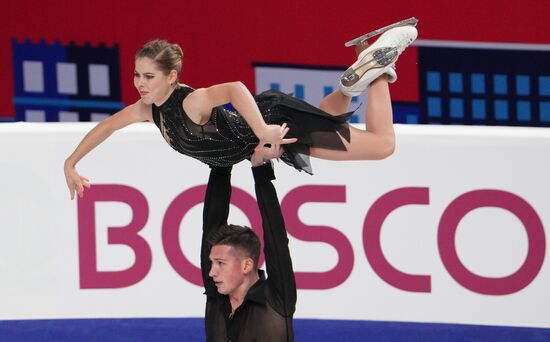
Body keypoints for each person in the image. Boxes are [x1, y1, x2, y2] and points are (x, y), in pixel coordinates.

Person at [64, 20, 418, 199]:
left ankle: (377, 71)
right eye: (137, 75)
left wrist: (264, 130)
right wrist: (71, 163)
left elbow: (235, 88)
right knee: (326, 117)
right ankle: (352, 81)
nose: (141, 83)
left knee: (383, 145)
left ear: (172, 77)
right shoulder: (148, 110)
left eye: (149, 76)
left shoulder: (191, 100)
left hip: (278, 128)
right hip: (271, 125)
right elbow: (107, 126)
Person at [202, 145, 296, 341]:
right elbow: (212, 225)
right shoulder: (216, 294)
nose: (211, 272)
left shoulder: (277, 299)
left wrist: (260, 171)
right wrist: (221, 165)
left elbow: (276, 239)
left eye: (220, 263)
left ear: (246, 264)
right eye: (212, 263)